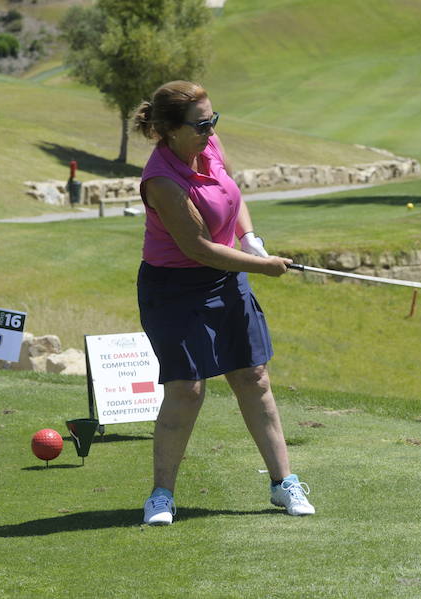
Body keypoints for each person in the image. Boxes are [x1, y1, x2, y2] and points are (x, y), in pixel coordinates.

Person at [131, 80, 315, 526]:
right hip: (175, 288)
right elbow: (198, 248)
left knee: (253, 377)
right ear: (170, 130)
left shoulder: (209, 146)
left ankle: (283, 483)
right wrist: (262, 267)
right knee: (187, 388)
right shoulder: (161, 181)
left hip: (227, 281)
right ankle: (161, 495)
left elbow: (234, 196)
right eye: (200, 124)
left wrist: (252, 240)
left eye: (213, 120)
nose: (210, 130)